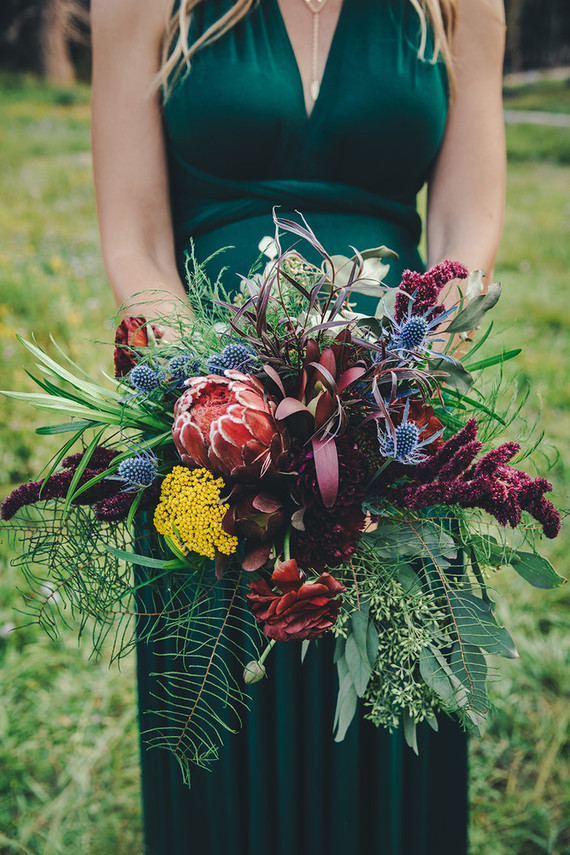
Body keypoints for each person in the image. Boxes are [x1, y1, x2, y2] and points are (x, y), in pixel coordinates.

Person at [90, 0, 506, 852]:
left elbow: (467, 224)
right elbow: (135, 237)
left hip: (399, 421)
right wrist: (219, 395)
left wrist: (403, 369)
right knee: (223, 742)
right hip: (208, 440)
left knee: (391, 758)